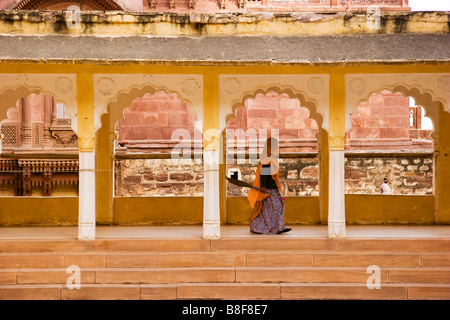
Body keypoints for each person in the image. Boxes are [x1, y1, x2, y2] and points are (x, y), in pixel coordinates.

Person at [247, 137, 291, 234]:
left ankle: (278, 227)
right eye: (275, 146)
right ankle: (260, 228)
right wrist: (262, 186)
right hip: (267, 190)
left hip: (272, 189)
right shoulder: (267, 160)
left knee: (276, 207)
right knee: (273, 208)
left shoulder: (271, 159)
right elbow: (263, 173)